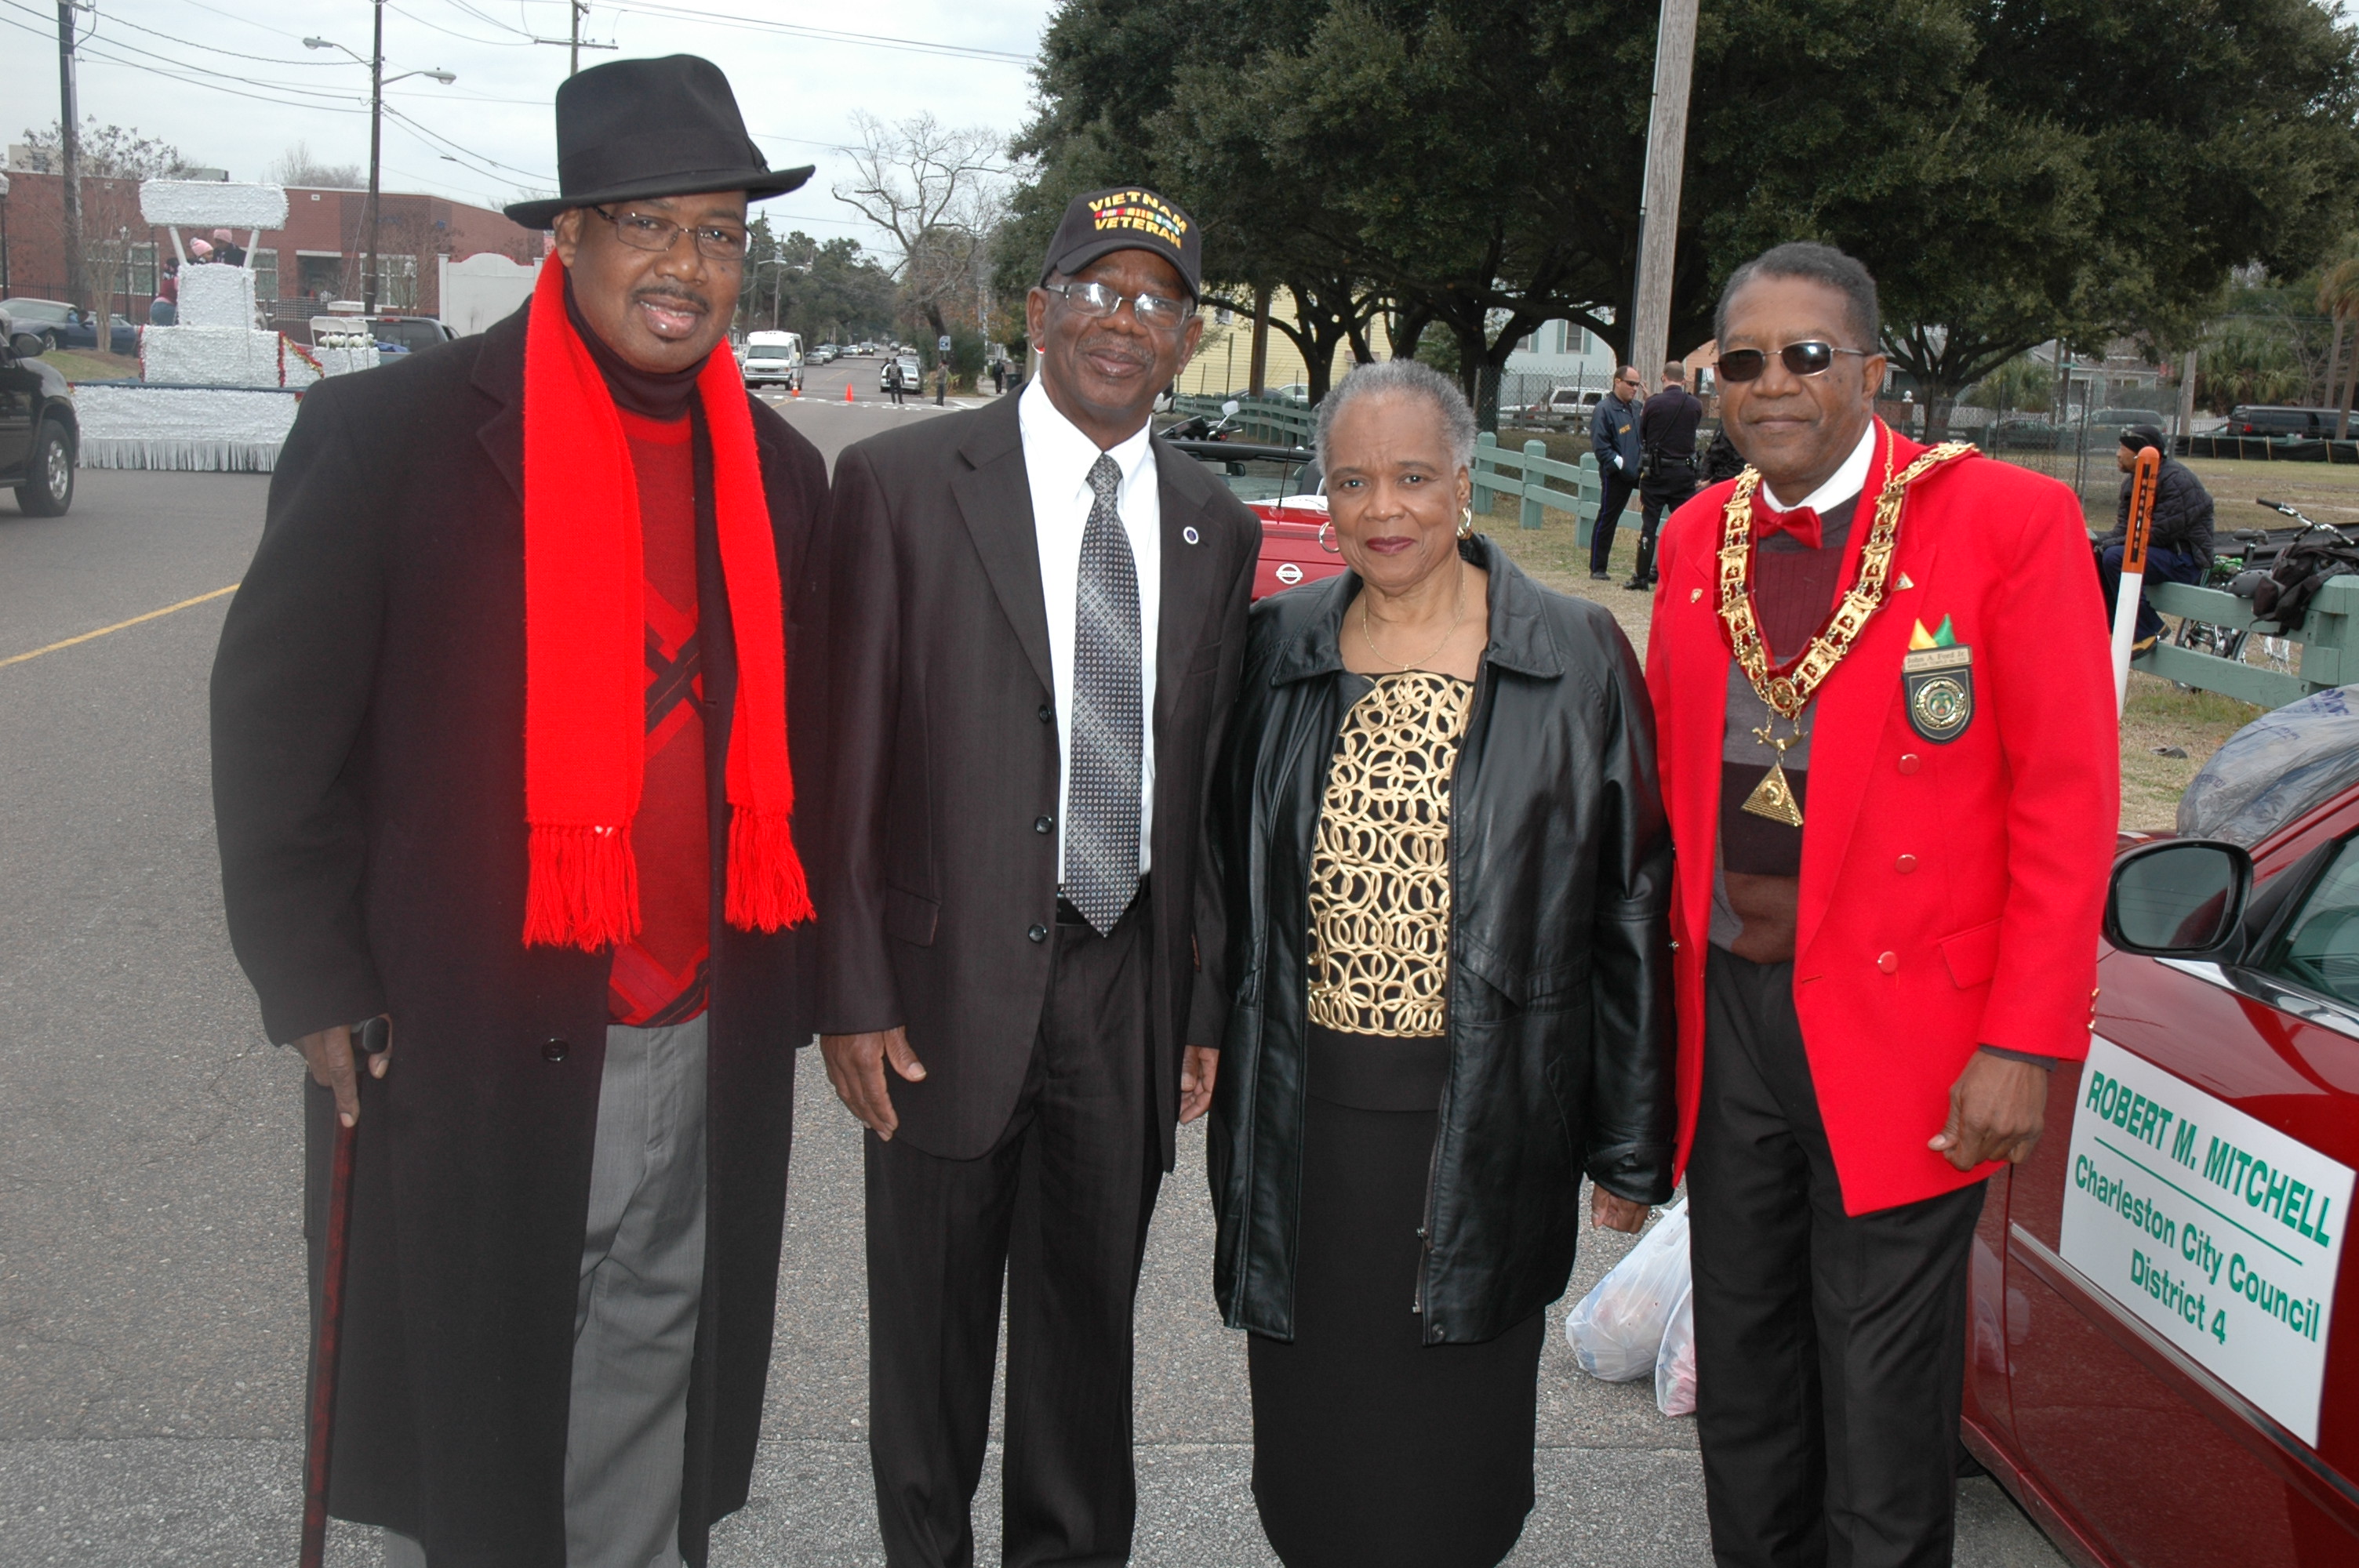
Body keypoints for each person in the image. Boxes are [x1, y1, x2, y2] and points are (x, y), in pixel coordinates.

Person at [209, 56, 828, 1566]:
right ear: (569, 237)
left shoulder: (783, 477)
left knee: (648, 1399)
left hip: (704, 1027)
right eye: (647, 224)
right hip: (471, 1029)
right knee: (480, 1412)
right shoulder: (391, 437)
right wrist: (313, 976)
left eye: (719, 232)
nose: (685, 265)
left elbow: (807, 745)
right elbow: (275, 731)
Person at [1644, 241, 2117, 1568]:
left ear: (1871, 370)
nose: (1772, 384)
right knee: (1745, 1374)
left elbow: (2068, 802)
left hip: (1910, 1027)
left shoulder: (2006, 521)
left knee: (1878, 1395)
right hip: (1733, 1012)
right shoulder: (1692, 535)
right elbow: (1664, 796)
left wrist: (2023, 1041)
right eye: (1743, 360)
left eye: (1808, 355)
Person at [817, 186, 1259, 1566]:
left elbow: (1201, 782)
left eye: (1156, 302)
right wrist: (850, 989)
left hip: (1125, 985)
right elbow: (843, 760)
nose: (1123, 323)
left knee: (1085, 1346)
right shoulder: (899, 485)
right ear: (1037, 309)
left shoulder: (1214, 522)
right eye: (1097, 292)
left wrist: (1199, 998)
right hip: (942, 988)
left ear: (1186, 338)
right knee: (930, 1349)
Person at [1204, 358, 1674, 1568]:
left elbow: (1630, 905)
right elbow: (1221, 871)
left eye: (1413, 477)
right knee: (1317, 1447)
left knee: (1452, 1456)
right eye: (1352, 481)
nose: (1384, 509)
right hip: (1305, 1121)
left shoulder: (1574, 653)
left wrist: (1630, 1144)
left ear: (1465, 482)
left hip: (1490, 1119)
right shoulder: (1277, 645)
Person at [2095, 423, 2213, 651]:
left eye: (2123, 449)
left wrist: (2111, 545)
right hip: (2158, 554)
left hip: (2184, 560)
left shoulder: (2176, 480)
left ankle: (2147, 629)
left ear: (2141, 453)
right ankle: (2114, 627)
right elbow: (2124, 529)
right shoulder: (2133, 481)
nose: (2118, 454)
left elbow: (2160, 533)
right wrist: (2096, 543)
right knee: (2099, 555)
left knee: (2115, 557)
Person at [1628, 361, 1703, 590]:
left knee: (1649, 525)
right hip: (1684, 473)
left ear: (1663, 377)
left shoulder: (1653, 404)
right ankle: (1680, 574)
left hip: (1657, 473)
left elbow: (1643, 435)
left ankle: (1641, 577)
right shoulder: (1695, 405)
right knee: (1683, 525)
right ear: (1684, 380)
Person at [1589, 364, 1645, 580]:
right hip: (1616, 475)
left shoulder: (1637, 408)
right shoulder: (1604, 409)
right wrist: (1619, 464)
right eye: (1631, 384)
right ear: (1617, 382)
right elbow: (1601, 446)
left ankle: (1646, 569)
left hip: (1639, 472)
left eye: (1637, 385)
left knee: (1650, 518)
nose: (1634, 389)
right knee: (1608, 518)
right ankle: (1598, 568)